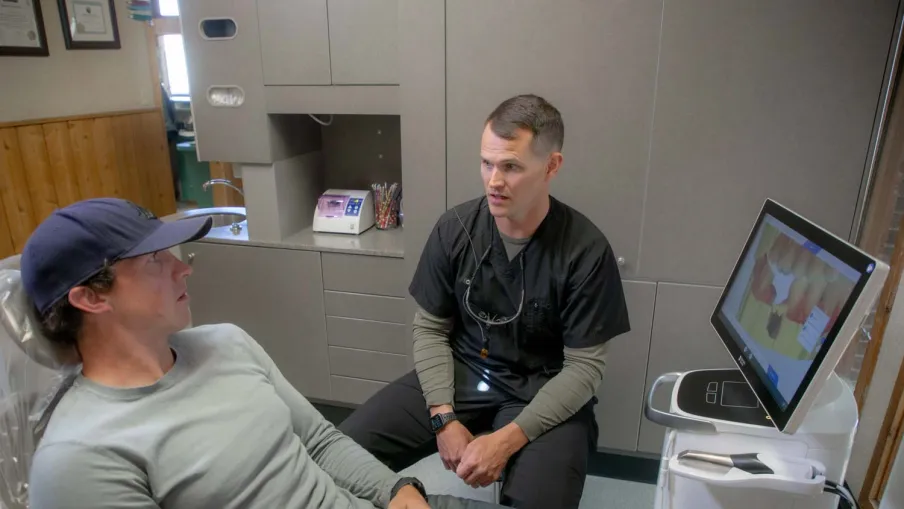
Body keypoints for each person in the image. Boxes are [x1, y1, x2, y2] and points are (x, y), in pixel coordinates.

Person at [20, 198, 501, 509]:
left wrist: (399, 493)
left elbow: (319, 442)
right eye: (153, 261)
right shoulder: (79, 458)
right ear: (91, 298)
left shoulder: (225, 343)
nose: (182, 269)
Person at [340, 94, 631, 508]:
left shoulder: (584, 251)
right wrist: (443, 416)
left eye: (511, 166)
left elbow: (585, 368)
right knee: (340, 455)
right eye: (486, 163)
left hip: (542, 388)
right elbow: (430, 327)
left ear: (551, 167)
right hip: (463, 373)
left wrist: (508, 440)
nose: (494, 181)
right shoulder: (455, 229)